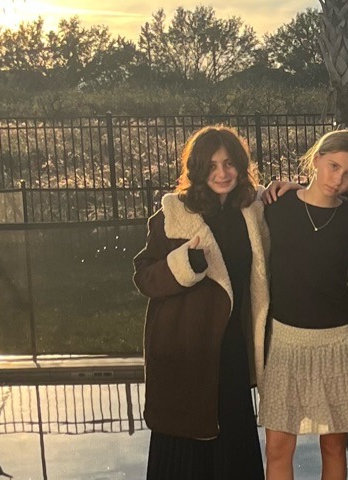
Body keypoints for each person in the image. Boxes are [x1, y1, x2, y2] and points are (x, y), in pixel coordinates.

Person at [133, 125, 269, 480]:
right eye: (211, 166)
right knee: (185, 444)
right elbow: (144, 277)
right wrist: (183, 264)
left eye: (228, 163)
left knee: (232, 438)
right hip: (185, 348)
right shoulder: (175, 213)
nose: (221, 173)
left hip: (232, 346)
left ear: (240, 165)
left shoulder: (251, 210)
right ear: (196, 168)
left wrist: (293, 187)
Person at [260, 130, 348, 480]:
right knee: (278, 447)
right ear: (317, 159)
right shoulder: (276, 206)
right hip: (285, 339)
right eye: (333, 166)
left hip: (337, 340)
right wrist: (282, 187)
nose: (338, 180)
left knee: (334, 447)